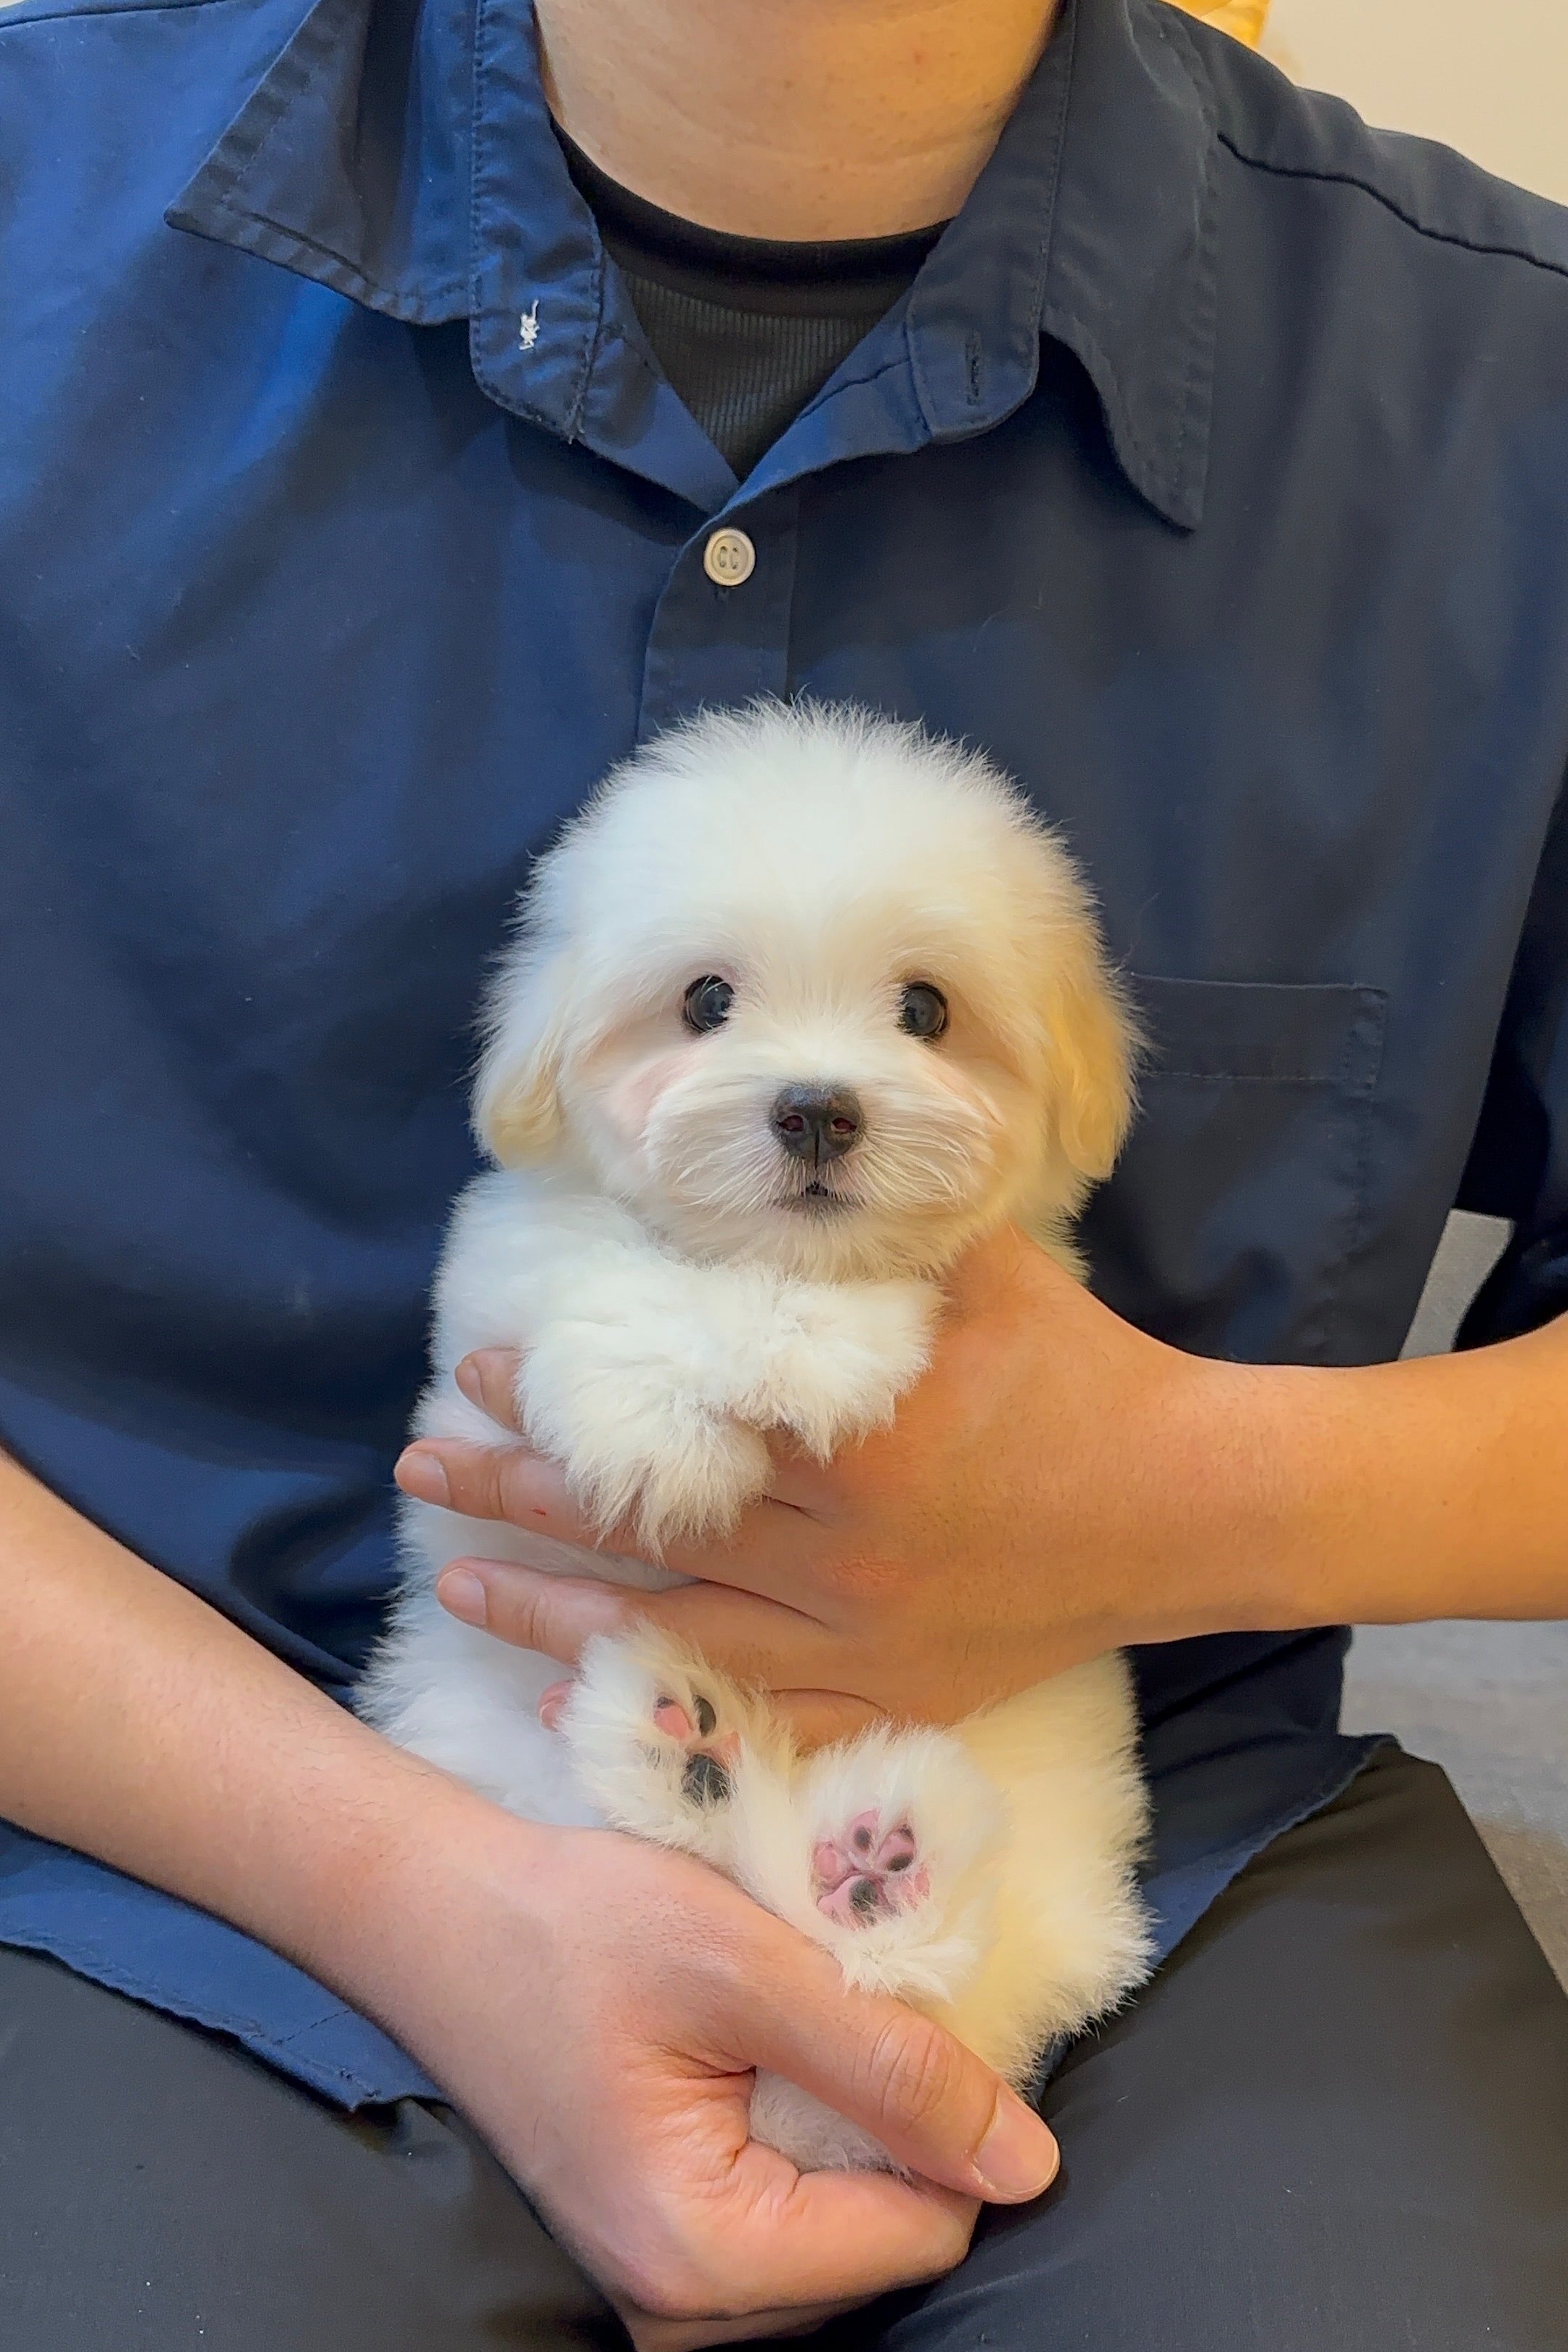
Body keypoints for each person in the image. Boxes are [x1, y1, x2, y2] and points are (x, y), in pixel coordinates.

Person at [0, 0, 1565, 2343]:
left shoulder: (1501, 404)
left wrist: (1196, 1493)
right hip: (149, 1831)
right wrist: (417, 1889)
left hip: (1141, 1854)